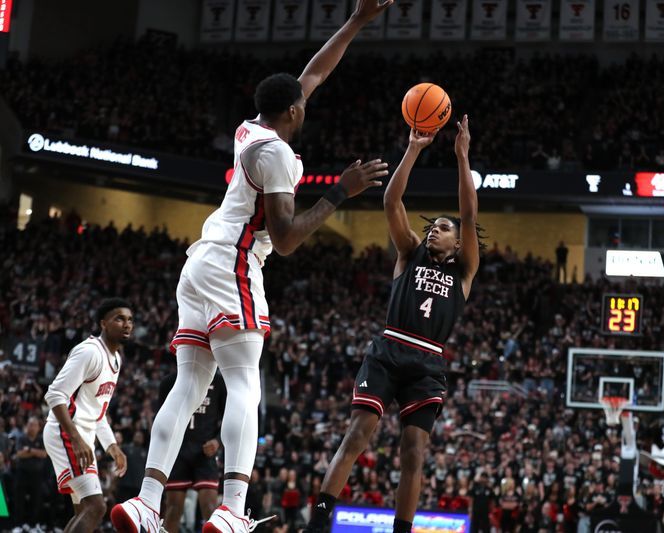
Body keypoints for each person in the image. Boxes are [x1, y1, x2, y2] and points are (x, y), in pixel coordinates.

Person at [111, 2, 393, 532]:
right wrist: (340, 192)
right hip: (233, 264)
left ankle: (146, 501)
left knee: (188, 388)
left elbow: (309, 77)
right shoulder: (277, 154)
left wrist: (356, 23)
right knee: (245, 385)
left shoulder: (251, 128)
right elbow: (285, 240)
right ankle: (233, 510)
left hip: (199, 264)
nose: (305, 109)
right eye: (301, 107)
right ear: (291, 113)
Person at [305, 115, 480, 533]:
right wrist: (414, 149)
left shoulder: (465, 271)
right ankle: (319, 521)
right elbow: (391, 202)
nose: (433, 232)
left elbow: (470, 214)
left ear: (457, 243)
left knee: (414, 453)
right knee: (358, 434)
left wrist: (461, 156)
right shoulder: (409, 253)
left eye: (442, 229)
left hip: (428, 363)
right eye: (432, 227)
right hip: (388, 350)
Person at [42, 298, 131, 533]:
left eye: (130, 319)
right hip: (67, 431)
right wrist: (75, 438)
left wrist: (112, 446)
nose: (127, 324)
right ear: (103, 323)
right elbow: (54, 395)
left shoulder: (116, 360)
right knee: (96, 506)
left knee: (84, 510)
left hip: (83, 434)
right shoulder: (89, 352)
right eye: (119, 318)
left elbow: (98, 412)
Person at [159, 371, 226, 533]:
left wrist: (217, 441)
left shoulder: (219, 382)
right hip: (177, 451)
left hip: (205, 452)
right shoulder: (169, 381)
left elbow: (229, 418)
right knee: (173, 511)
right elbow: (161, 418)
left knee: (210, 509)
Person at [11, 416, 47, 529]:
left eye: (34, 425)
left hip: (37, 474)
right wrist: (35, 453)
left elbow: (44, 454)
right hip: (22, 473)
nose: (31, 427)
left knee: (36, 500)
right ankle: (18, 525)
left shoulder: (41, 439)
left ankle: (33, 525)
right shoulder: (22, 438)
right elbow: (19, 454)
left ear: (38, 427)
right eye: (30, 425)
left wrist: (30, 450)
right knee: (19, 499)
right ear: (27, 426)